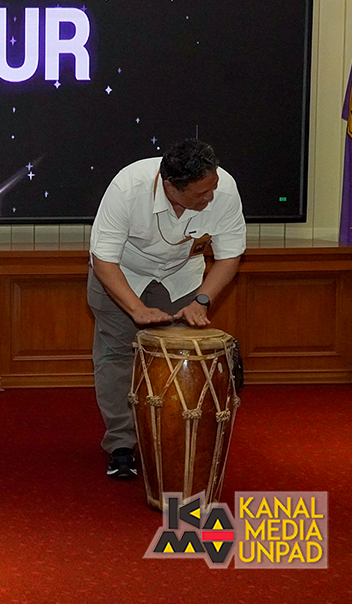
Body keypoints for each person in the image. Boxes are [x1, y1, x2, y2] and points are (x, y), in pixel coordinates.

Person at [88, 138, 246, 478]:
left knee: (181, 359)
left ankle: (173, 437)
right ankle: (121, 444)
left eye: (213, 187)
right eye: (201, 193)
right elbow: (104, 260)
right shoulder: (128, 187)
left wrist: (202, 300)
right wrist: (136, 309)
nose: (210, 197)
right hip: (122, 274)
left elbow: (230, 255)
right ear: (170, 187)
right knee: (116, 355)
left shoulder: (224, 189)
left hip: (181, 276)